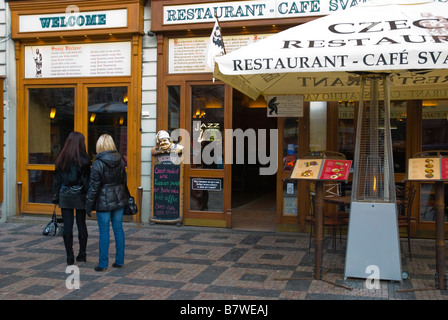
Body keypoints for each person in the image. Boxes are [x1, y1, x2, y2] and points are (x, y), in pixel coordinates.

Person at [85, 134, 128, 271]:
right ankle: (119, 261)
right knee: (118, 229)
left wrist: (88, 206)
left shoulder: (98, 163)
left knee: (104, 232)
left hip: (103, 201)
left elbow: (93, 187)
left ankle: (103, 264)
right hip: (119, 197)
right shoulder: (120, 161)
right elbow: (123, 181)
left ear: (99, 146)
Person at [52, 131, 91, 265]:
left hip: (65, 195)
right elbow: (86, 181)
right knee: (81, 224)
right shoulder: (84, 160)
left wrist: (56, 196)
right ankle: (82, 253)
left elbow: (57, 181)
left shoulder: (61, 159)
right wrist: (90, 197)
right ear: (81, 143)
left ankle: (69, 256)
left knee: (67, 226)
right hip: (80, 195)